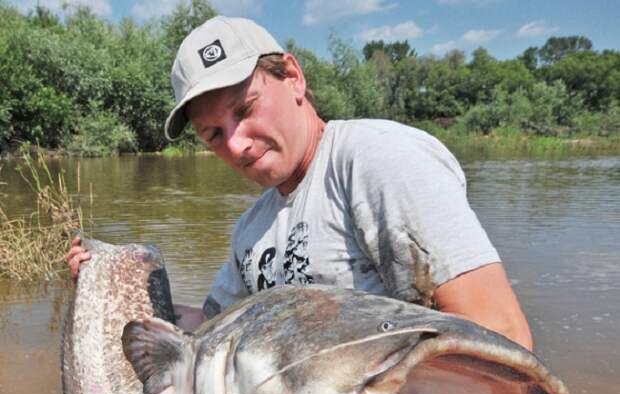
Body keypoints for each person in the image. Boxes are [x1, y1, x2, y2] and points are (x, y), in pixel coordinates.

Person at [68, 15, 532, 351]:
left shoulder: (376, 160)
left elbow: (500, 333)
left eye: (244, 110)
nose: (236, 144)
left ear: (292, 77)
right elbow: (210, 326)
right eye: (213, 134)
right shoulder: (252, 229)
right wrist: (112, 288)